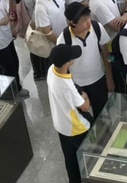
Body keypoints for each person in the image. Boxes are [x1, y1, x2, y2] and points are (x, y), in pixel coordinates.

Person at [57, 3, 113, 117]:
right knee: (82, 116)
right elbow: (62, 69)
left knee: (102, 114)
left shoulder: (97, 27)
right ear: (72, 23)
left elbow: (105, 53)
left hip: (98, 80)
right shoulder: (63, 40)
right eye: (83, 20)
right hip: (77, 85)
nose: (88, 22)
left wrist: (109, 78)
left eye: (88, 17)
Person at [46, 44, 91, 183]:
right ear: (66, 63)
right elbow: (85, 107)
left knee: (70, 159)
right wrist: (85, 96)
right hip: (76, 128)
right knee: (85, 160)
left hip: (61, 125)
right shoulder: (65, 85)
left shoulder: (51, 70)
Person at [33, 0, 67, 77]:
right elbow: (47, 32)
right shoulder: (40, 6)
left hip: (67, 35)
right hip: (57, 45)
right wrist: (61, 43)